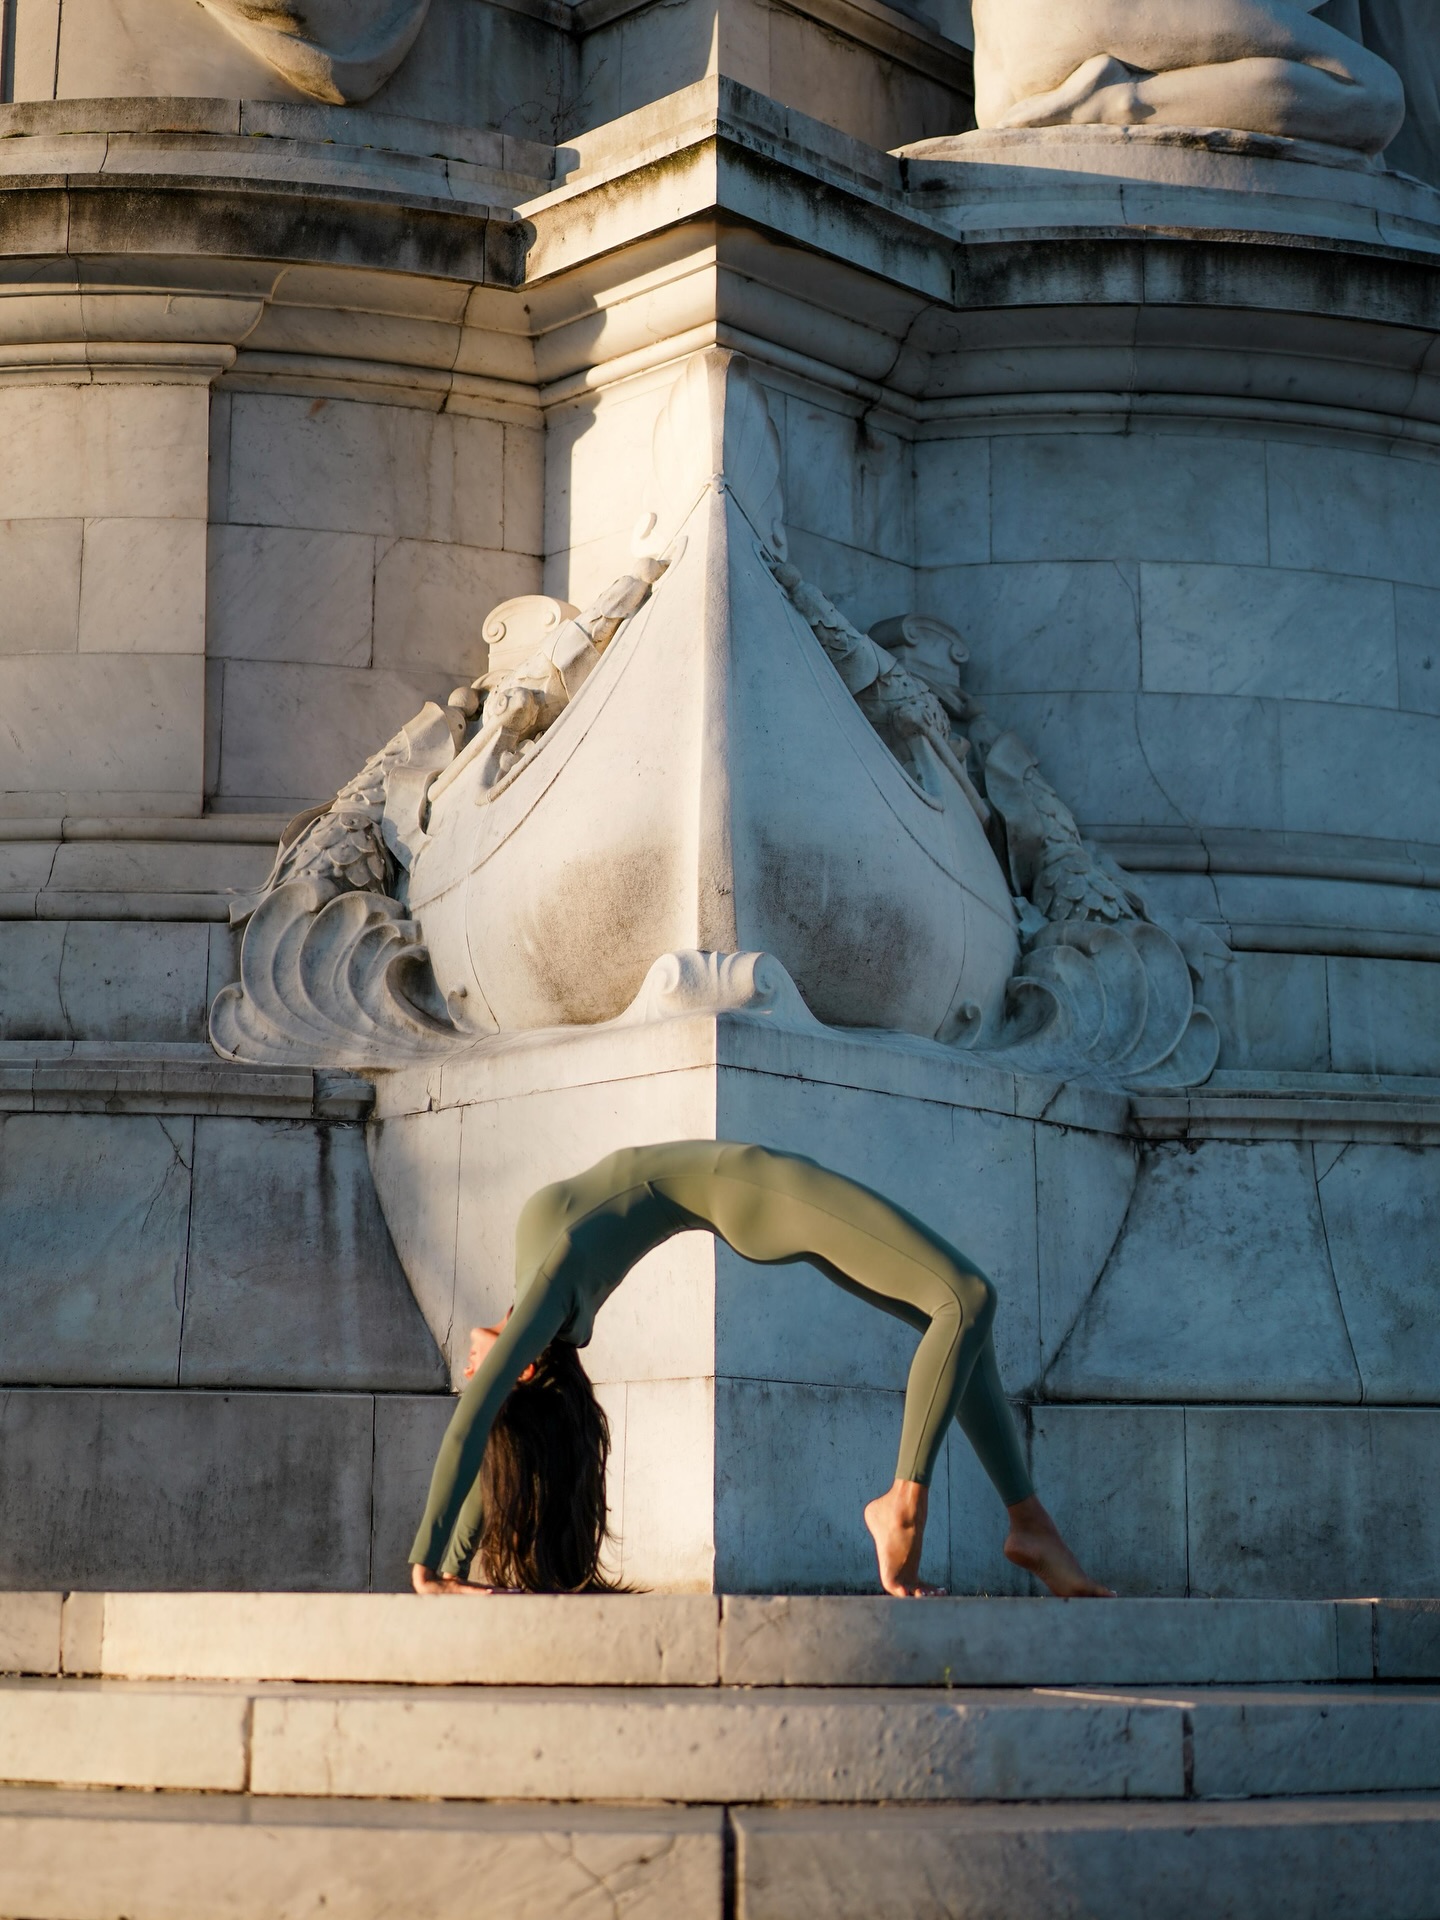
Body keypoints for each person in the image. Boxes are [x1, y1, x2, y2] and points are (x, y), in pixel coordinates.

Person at [410, 1140, 1111, 1600]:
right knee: (968, 1297)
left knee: (958, 1317)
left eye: (479, 1375)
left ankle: (1031, 1525)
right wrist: (429, 1563)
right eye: (489, 1376)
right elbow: (474, 1425)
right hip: (752, 1187)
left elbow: (487, 1439)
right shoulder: (549, 1297)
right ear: (525, 1369)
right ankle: (902, 1504)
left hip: (744, 1199)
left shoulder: (541, 1295)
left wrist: (455, 1556)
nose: (473, 1371)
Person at [971, 0, 1406, 154]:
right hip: (1086, 18)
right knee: (1375, 95)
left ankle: (1119, 98)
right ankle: (1118, 101)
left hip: (1004, 76)